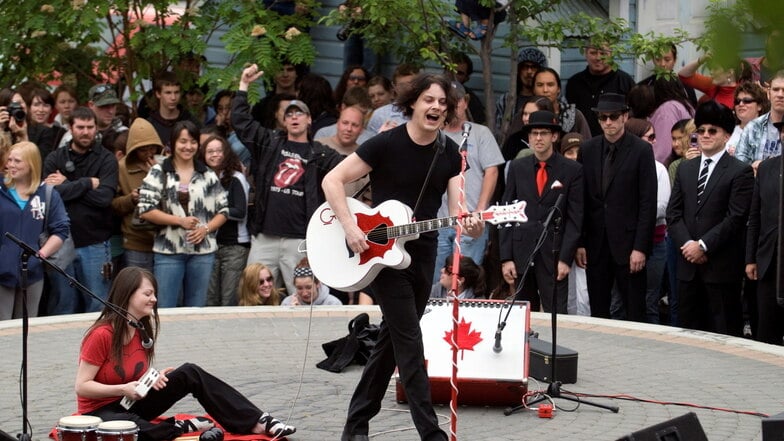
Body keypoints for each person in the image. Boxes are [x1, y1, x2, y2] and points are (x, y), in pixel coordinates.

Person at [321, 73, 482, 441]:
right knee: (409, 340)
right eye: (429, 100)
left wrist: (474, 224)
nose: (436, 107)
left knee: (391, 342)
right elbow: (332, 181)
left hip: (423, 254)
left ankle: (355, 425)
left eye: (442, 103)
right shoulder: (385, 144)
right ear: (412, 103)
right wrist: (350, 227)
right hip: (382, 253)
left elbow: (461, 213)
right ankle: (431, 433)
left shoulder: (450, 154)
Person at [74, 267, 295, 440]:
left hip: (131, 403)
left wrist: (150, 380)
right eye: (148, 294)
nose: (154, 300)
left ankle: (257, 420)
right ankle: (178, 427)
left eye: (154, 294)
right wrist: (124, 389)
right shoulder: (101, 334)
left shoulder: (141, 329)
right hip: (101, 412)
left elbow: (130, 378)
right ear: (128, 295)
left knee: (189, 372)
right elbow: (82, 386)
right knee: (134, 432)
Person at [231, 65, 344, 297]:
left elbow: (353, 164)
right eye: (289, 114)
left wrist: (380, 143)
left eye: (299, 113)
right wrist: (243, 86)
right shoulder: (270, 144)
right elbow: (241, 123)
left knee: (306, 298)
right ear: (283, 121)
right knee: (251, 294)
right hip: (265, 238)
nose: (294, 117)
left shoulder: (320, 154)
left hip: (300, 241)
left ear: (309, 120)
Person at [666, 101, 754, 336]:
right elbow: (673, 214)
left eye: (712, 131)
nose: (705, 135)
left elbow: (735, 218)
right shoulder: (685, 169)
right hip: (687, 268)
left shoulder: (740, 171)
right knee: (688, 335)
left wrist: (703, 246)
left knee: (723, 334)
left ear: (726, 135)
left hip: (720, 270)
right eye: (701, 130)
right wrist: (688, 246)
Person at [575, 93, 657, 321]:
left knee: (634, 310)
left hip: (629, 244)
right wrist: (580, 242)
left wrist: (640, 247)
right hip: (596, 242)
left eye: (613, 116)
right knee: (598, 308)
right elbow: (582, 198)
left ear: (625, 116)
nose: (608, 122)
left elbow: (647, 202)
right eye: (603, 117)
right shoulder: (588, 149)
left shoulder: (641, 150)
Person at [137, 121, 228, 308]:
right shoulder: (159, 171)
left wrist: (206, 229)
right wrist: (179, 221)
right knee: (164, 307)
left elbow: (224, 210)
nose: (188, 146)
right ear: (173, 143)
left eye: (193, 142)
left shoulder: (207, 174)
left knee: (197, 308)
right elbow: (145, 209)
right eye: (183, 141)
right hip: (168, 250)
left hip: (203, 252)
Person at [500, 110, 583, 313]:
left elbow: (575, 218)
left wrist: (565, 258)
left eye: (544, 133)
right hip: (522, 252)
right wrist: (506, 258)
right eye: (534, 133)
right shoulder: (517, 167)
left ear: (554, 136)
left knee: (557, 315)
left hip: (554, 253)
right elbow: (506, 212)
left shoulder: (571, 170)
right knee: (523, 314)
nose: (538, 138)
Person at [43, 106, 118, 314]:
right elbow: (51, 195)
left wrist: (67, 184)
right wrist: (86, 184)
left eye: (90, 127)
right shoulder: (54, 159)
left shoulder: (106, 159)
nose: (86, 132)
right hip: (60, 243)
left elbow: (104, 198)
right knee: (62, 305)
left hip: (95, 243)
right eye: (80, 127)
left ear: (96, 129)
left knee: (97, 304)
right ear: (70, 128)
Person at [433, 81, 503, 280]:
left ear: (465, 102)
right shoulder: (434, 133)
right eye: (449, 102)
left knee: (465, 279)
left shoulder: (480, 133)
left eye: (458, 101)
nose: (454, 106)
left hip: (470, 221)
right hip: (438, 220)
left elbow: (492, 171)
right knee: (435, 282)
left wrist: (480, 210)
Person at [0, 142, 69, 320]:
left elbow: (61, 229)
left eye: (17, 161)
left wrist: (41, 254)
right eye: (10, 160)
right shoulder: (1, 188)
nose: (11, 165)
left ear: (31, 164)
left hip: (32, 274)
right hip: (2, 272)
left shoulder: (46, 193)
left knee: (27, 327)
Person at [624, 118, 671, 323]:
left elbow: (661, 207)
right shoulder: (620, 164)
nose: (654, 141)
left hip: (654, 241)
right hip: (622, 242)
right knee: (619, 303)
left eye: (654, 136)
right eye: (649, 137)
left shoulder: (659, 168)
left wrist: (631, 216)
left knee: (649, 301)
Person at [745, 120, 784, 345]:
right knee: (767, 330)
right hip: (768, 260)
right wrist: (751, 258)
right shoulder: (767, 168)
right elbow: (755, 216)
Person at [200, 135, 250, 307]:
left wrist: (219, 212)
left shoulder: (236, 177)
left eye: (219, 151)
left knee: (229, 298)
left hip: (234, 247)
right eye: (210, 151)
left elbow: (241, 211)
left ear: (226, 153)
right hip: (209, 245)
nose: (215, 155)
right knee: (209, 298)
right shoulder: (201, 179)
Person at [112, 119, 163, 272]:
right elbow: (113, 204)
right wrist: (131, 199)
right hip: (136, 241)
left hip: (165, 239)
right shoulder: (121, 168)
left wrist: (159, 172)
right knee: (139, 287)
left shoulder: (166, 164)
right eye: (143, 149)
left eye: (152, 148)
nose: (149, 153)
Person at [565, 44, 635, 136]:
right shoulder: (574, 83)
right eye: (593, 53)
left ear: (611, 54)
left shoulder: (625, 81)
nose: (598, 57)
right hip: (582, 144)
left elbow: (633, 116)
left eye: (603, 53)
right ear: (586, 54)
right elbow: (569, 119)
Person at [734, 70, 784, 172]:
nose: (780, 94)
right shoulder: (753, 127)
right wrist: (752, 167)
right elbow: (738, 167)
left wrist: (766, 166)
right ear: (769, 94)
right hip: (757, 185)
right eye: (776, 89)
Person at [496, 47, 548, 136]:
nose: (529, 71)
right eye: (525, 67)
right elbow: (498, 131)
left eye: (534, 67)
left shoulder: (548, 98)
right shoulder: (505, 100)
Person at [532, 67, 592, 139]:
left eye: (550, 85)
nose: (545, 90)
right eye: (540, 85)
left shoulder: (574, 115)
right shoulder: (526, 114)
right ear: (533, 89)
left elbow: (587, 146)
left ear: (558, 89)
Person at [145, 73, 198, 151]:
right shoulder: (149, 125)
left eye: (176, 92)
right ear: (158, 94)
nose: (173, 98)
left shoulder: (191, 121)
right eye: (168, 93)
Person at [678, 55, 752, 109]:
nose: (711, 72)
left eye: (715, 69)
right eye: (711, 68)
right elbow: (683, 75)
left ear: (729, 72)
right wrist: (700, 60)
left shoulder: (745, 93)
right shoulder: (712, 85)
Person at [649, 77, 695, 164]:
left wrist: (657, 168)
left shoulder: (667, 109)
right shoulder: (687, 105)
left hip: (671, 163)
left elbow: (664, 147)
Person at [365, 64, 420, 135]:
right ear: (394, 86)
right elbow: (369, 143)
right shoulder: (380, 115)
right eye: (402, 85)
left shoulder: (428, 111)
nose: (408, 89)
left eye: (411, 84)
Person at [726, 82, 769, 155]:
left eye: (747, 101)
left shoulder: (769, 132)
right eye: (738, 101)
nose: (741, 104)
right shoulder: (726, 131)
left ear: (759, 106)